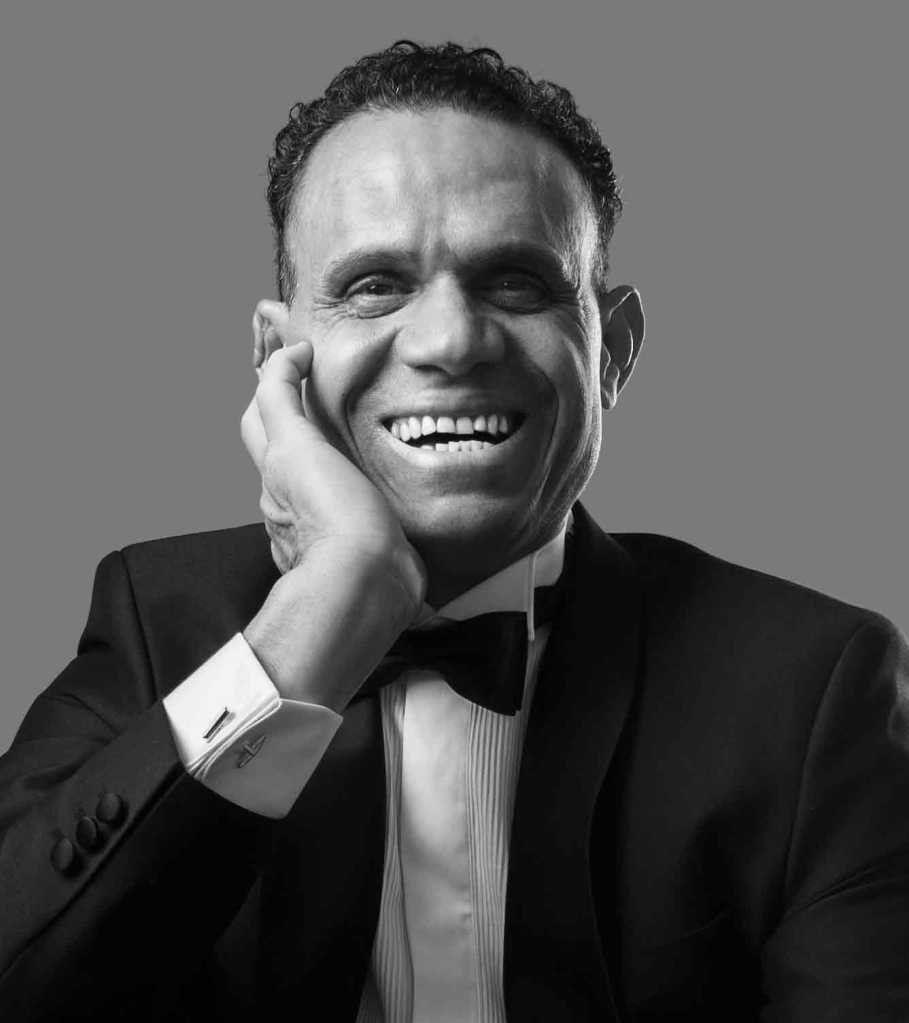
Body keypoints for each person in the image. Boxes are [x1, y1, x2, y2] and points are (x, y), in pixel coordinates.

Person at [1, 39, 908, 1022]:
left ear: (613, 351)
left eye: (516, 281)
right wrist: (324, 613)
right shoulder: (154, 617)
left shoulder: (817, 684)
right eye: (373, 285)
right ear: (276, 358)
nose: (450, 341)